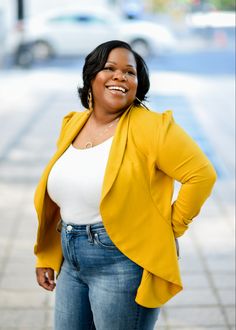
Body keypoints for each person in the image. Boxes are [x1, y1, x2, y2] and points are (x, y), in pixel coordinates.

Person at [34, 40, 217, 330]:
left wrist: (170, 227)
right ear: (91, 77)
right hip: (71, 260)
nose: (121, 76)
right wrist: (48, 254)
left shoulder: (153, 127)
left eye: (129, 72)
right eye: (110, 68)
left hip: (122, 264)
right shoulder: (73, 123)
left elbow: (202, 174)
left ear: (137, 83)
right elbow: (63, 199)